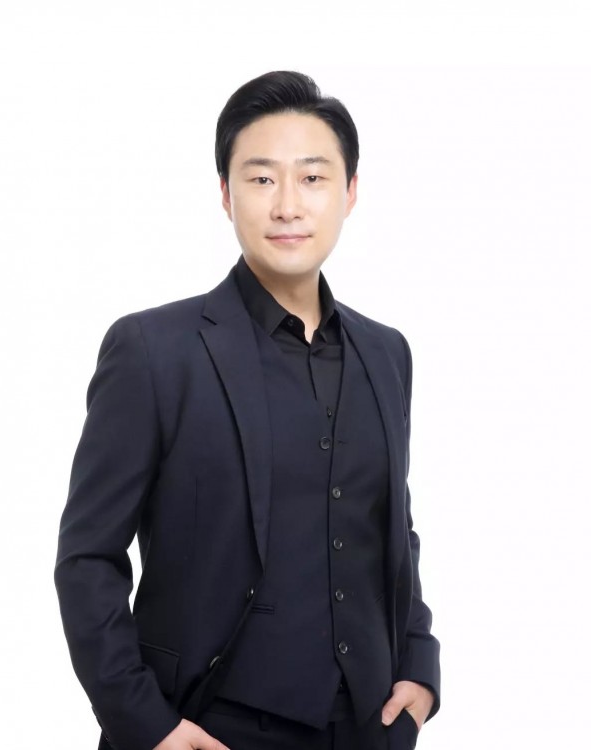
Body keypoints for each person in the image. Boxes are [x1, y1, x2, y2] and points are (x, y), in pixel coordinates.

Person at [55, 70, 441, 750]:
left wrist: (419, 663)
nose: (288, 205)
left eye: (313, 178)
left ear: (350, 192)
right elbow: (88, 558)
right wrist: (147, 725)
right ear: (226, 195)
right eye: (262, 179)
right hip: (207, 727)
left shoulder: (387, 352)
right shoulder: (153, 351)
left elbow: (391, 528)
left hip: (368, 726)